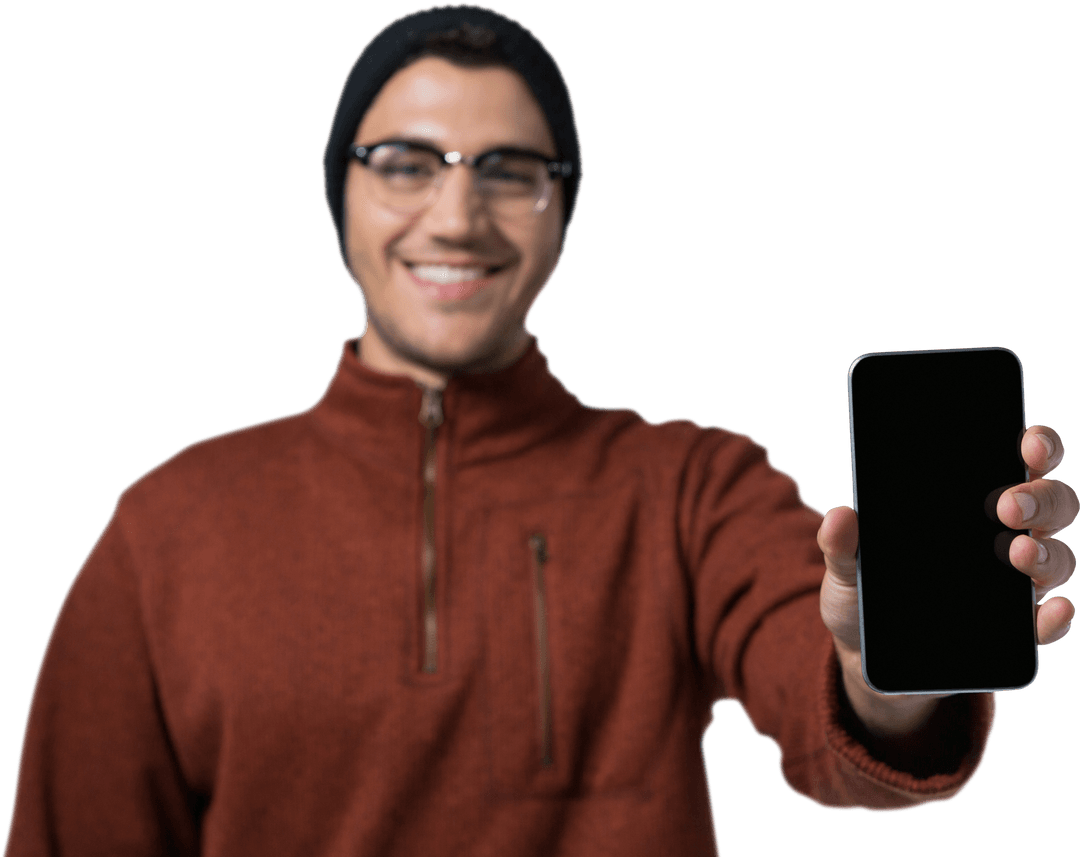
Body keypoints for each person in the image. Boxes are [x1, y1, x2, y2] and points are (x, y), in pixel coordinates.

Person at [4, 4, 1076, 855]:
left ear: (564, 216)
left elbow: (830, 711)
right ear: (339, 193)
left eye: (511, 171)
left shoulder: (688, 487)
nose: (458, 216)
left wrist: (881, 666)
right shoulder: (167, 524)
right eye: (405, 162)